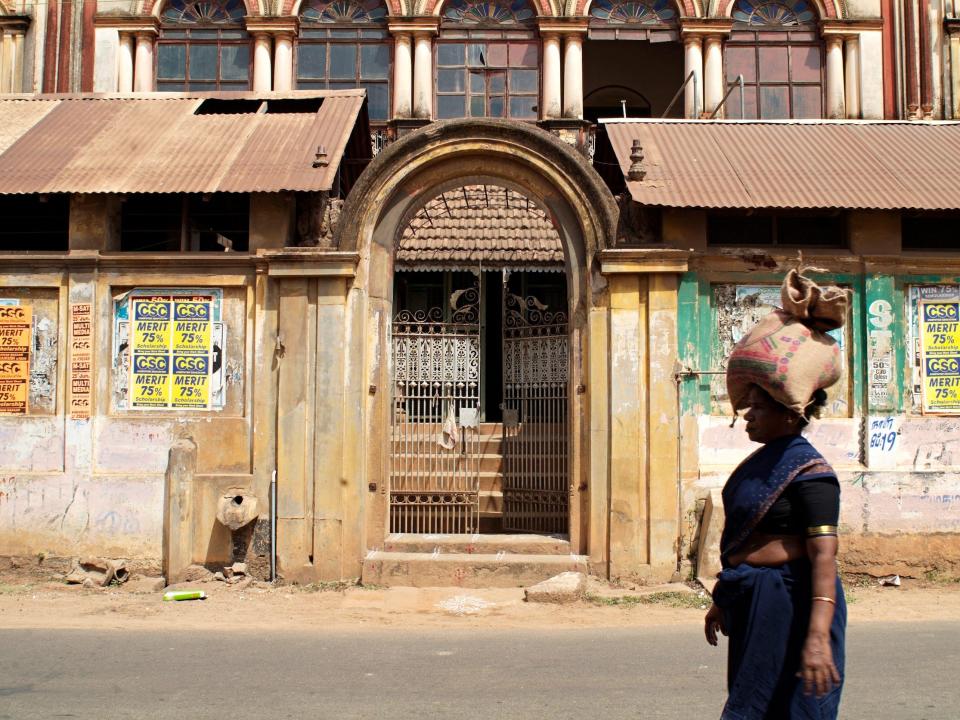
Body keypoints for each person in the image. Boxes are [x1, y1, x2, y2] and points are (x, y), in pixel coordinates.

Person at [704, 267, 849, 720]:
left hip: (793, 605)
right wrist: (722, 597)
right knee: (753, 699)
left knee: (789, 707)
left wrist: (817, 636)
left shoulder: (811, 473)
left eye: (758, 409)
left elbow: (823, 557)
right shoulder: (762, 464)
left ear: (789, 413)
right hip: (756, 603)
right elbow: (747, 542)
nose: (747, 418)